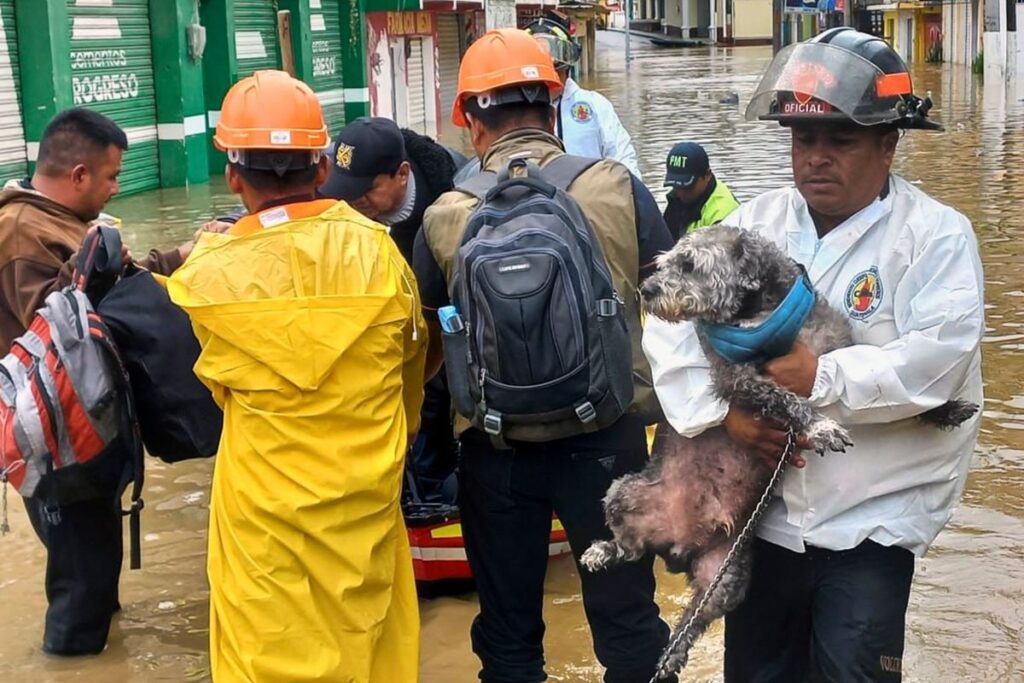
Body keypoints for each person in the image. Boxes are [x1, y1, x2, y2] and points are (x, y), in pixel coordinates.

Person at [643, 28, 983, 682]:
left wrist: (822, 376)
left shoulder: (935, 238)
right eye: (803, 140)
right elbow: (668, 325)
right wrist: (723, 419)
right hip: (763, 525)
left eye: (840, 140)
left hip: (872, 528)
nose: (816, 158)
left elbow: (936, 363)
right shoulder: (755, 227)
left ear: (888, 145)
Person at [414, 29, 674, 683]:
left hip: (496, 452)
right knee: (630, 625)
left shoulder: (445, 214)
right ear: (555, 105)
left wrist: (434, 457)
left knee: (508, 637)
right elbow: (678, 316)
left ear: (470, 120)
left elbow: (429, 356)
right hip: (607, 440)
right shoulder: (616, 186)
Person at [166, 70, 425, 683]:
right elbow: (411, 367)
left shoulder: (204, 278)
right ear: (319, 168)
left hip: (264, 528)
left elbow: (206, 394)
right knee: (374, 653)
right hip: (363, 509)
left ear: (232, 175)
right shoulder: (380, 254)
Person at [0, 107, 189, 656]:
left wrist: (174, 259)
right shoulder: (19, 233)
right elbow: (59, 327)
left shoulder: (57, 220)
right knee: (81, 586)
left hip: (85, 429)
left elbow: (105, 293)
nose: (115, 188)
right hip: (58, 443)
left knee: (96, 570)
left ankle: (102, 657)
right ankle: (72, 664)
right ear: (78, 174)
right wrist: (95, 261)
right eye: (110, 176)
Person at [319, 116, 459, 504]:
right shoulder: (342, 191)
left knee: (436, 394)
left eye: (366, 190)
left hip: (441, 329)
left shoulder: (454, 199)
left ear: (402, 175)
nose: (353, 201)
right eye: (345, 189)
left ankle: (431, 478)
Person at [661, 141, 739, 240]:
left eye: (687, 187)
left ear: (707, 175)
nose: (680, 193)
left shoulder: (723, 215)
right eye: (676, 186)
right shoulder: (677, 198)